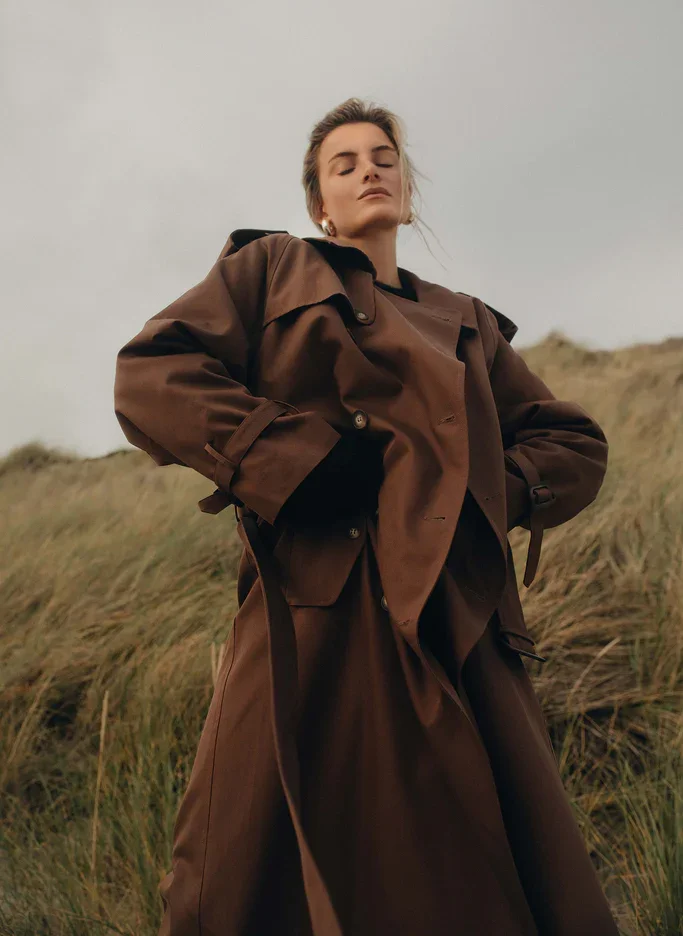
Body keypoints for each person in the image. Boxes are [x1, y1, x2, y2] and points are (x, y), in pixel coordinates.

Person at [114, 97, 619, 935]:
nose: (367, 170)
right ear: (320, 202)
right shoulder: (271, 268)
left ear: (407, 189)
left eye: (382, 156)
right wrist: (290, 462)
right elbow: (152, 374)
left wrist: (479, 496)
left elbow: (571, 442)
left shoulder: (466, 323)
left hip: (464, 618)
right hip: (322, 606)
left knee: (485, 868)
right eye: (342, 164)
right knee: (251, 860)